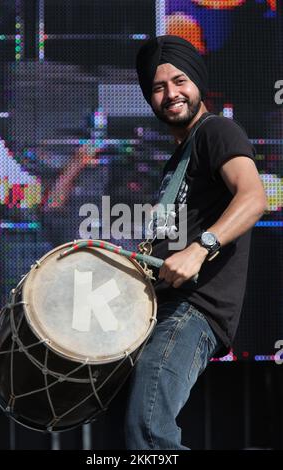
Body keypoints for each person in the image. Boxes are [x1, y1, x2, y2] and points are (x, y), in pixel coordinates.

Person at [124, 35, 267, 450]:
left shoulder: (217, 131)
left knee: (150, 435)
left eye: (179, 80)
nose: (171, 94)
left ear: (198, 82)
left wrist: (200, 247)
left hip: (195, 309)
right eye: (157, 87)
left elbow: (253, 197)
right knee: (140, 432)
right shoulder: (178, 161)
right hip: (168, 310)